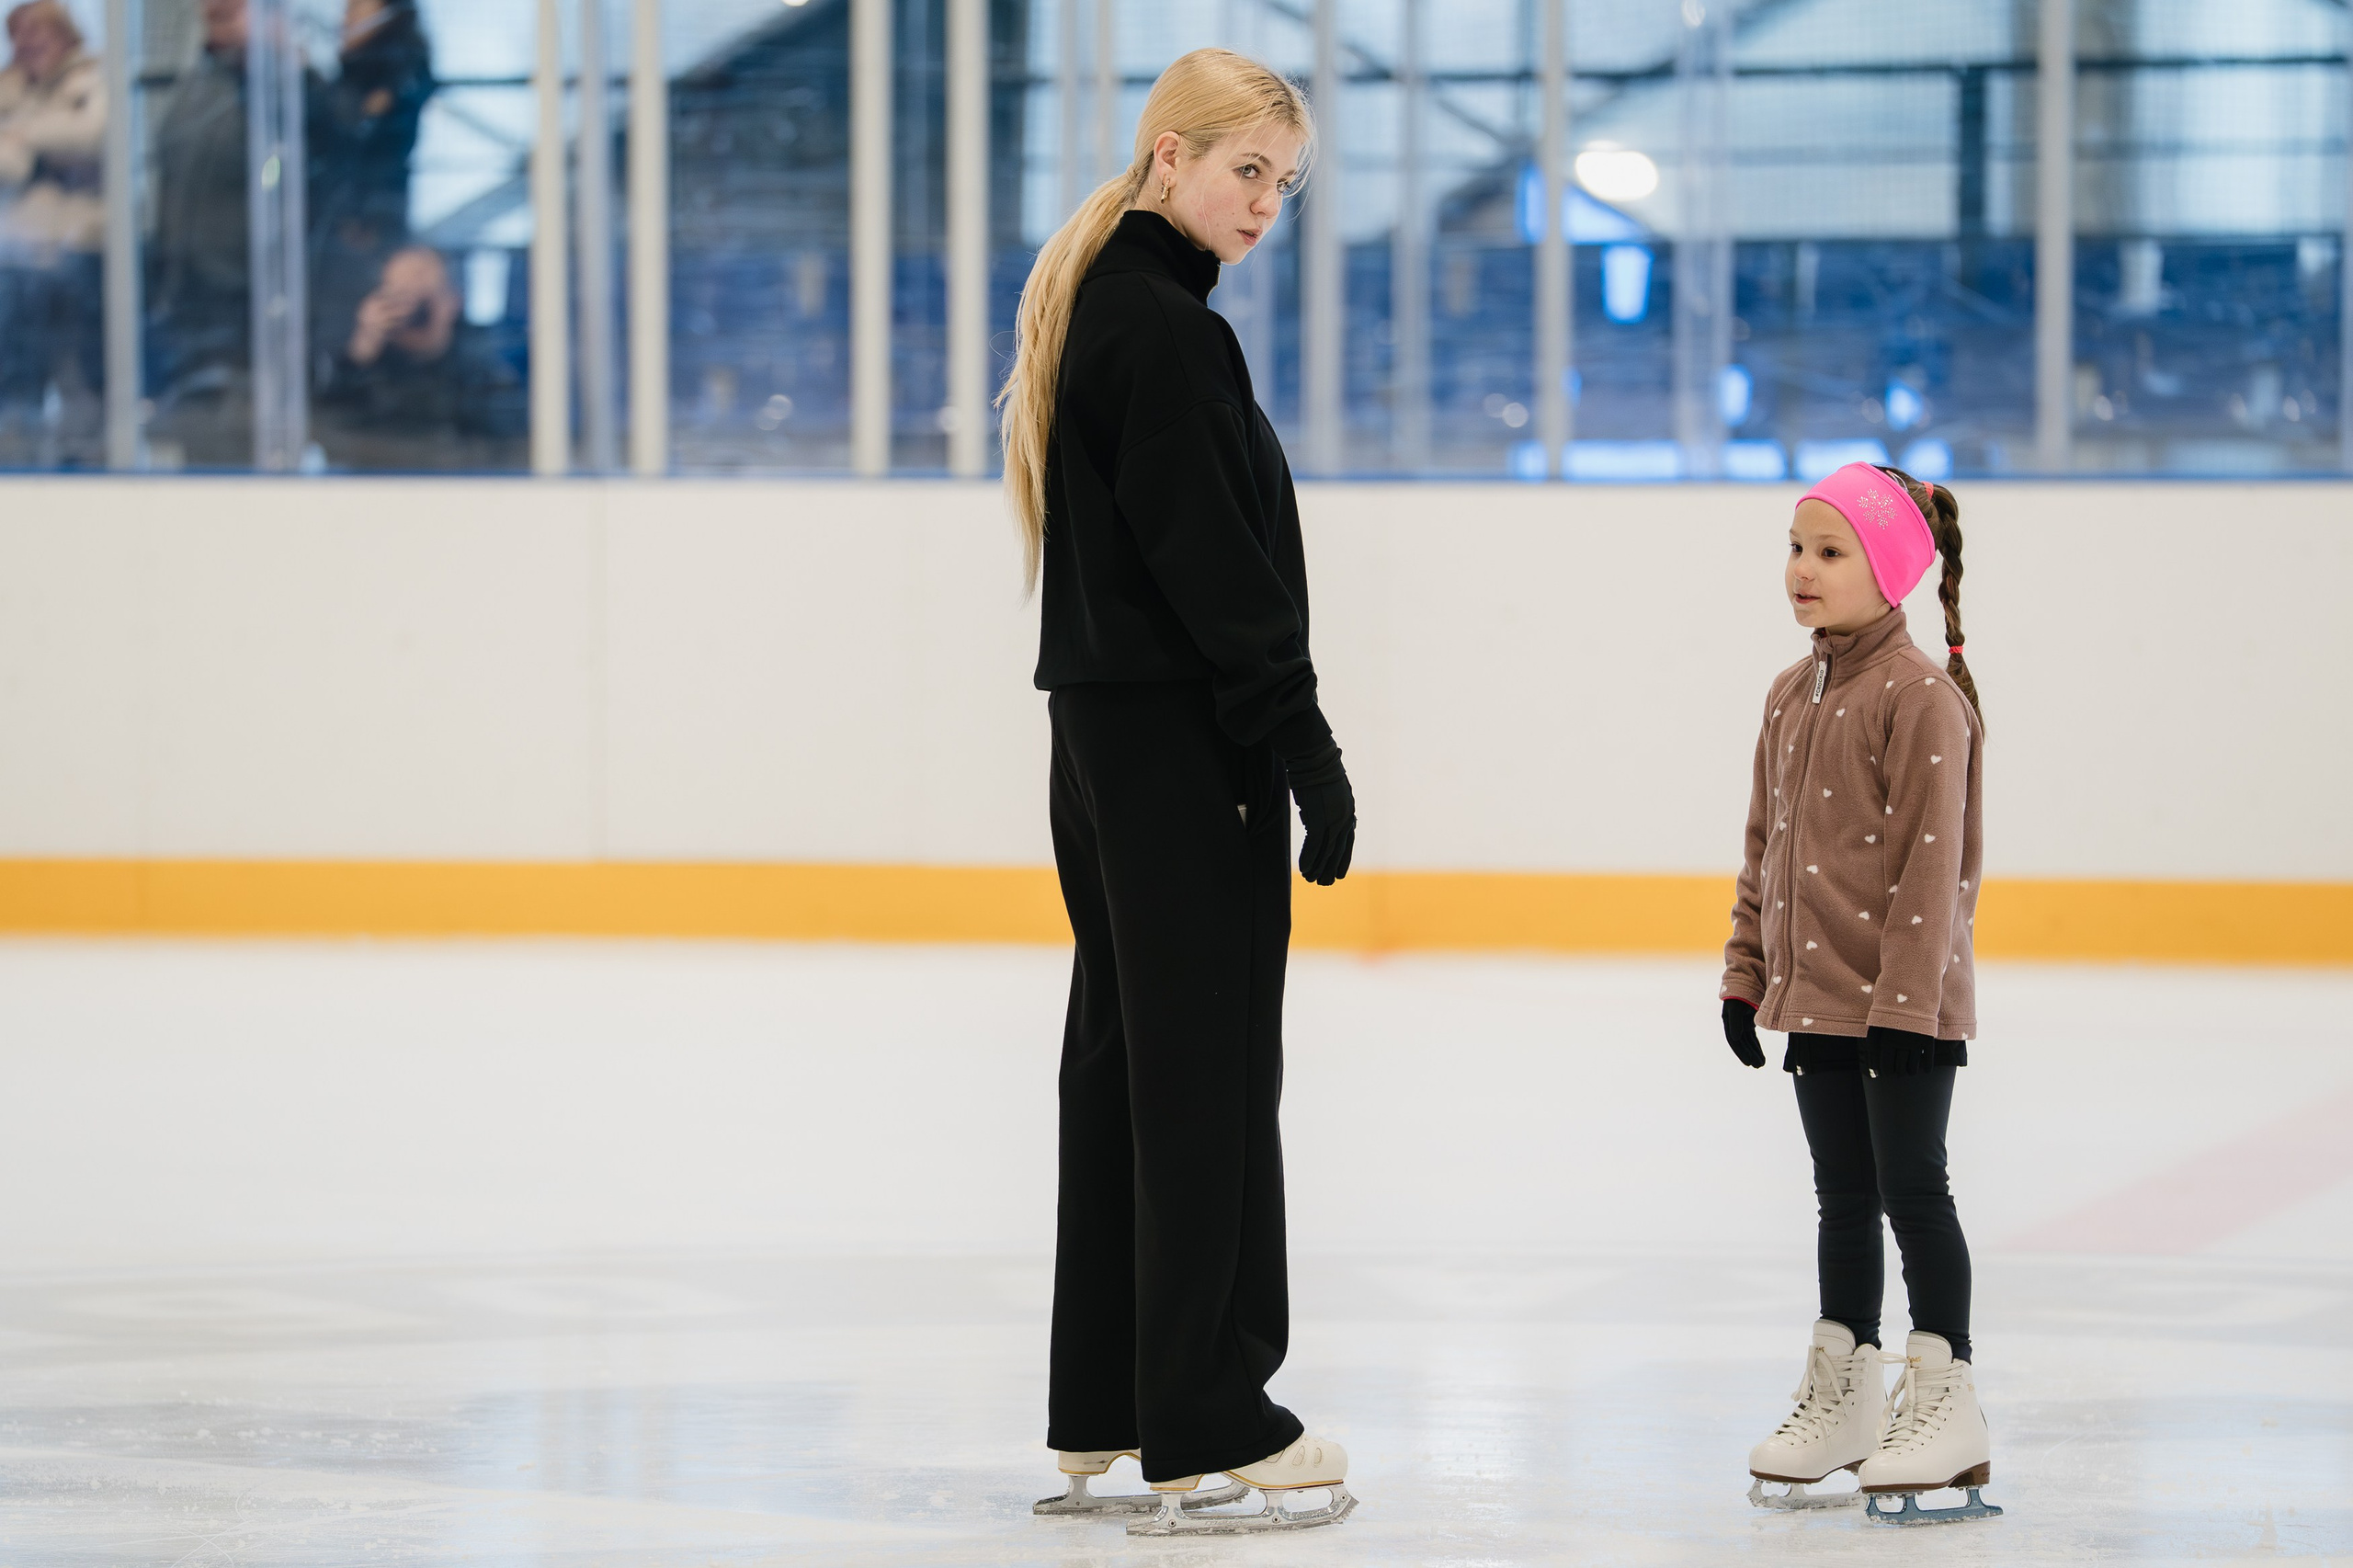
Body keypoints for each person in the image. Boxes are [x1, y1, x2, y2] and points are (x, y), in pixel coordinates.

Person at [1002, 47, 1357, 1538]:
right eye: (1244, 170)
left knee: (1126, 1059)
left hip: (1103, 741)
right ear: (1169, 158)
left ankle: (1108, 1395)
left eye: (1285, 182)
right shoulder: (1162, 330)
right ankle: (1208, 1408)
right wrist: (1304, 746)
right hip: (1178, 746)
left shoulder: (1112, 307)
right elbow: (1216, 567)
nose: (1264, 203)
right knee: (1203, 1071)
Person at [1720, 462, 1998, 1526]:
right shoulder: (1788, 693)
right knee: (1841, 1193)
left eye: (1829, 551)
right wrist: (1746, 971)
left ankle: (1947, 1393)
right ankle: (1845, 1393)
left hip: (1902, 1008)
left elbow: (1937, 868)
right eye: (1795, 546)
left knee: (1913, 1188)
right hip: (1818, 998)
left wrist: (1906, 1008)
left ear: (1889, 570)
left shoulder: (1921, 699)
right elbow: (1765, 846)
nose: (1801, 568)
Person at [0, 0, 104, 464]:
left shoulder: (95, 78)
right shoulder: (9, 91)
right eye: (19, 33)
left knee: (80, 378)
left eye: (38, 30)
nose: (28, 42)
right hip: (18, 260)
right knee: (17, 383)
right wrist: (45, 143)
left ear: (64, 33)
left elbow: (94, 135)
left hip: (81, 255)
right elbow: (10, 166)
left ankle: (86, 465)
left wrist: (23, 135)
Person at [313, 244, 523, 469]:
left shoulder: (484, 375)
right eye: (398, 297)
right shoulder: (360, 372)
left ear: (453, 301)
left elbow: (504, 453)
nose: (410, 311)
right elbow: (323, 433)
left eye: (422, 299)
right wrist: (360, 352)